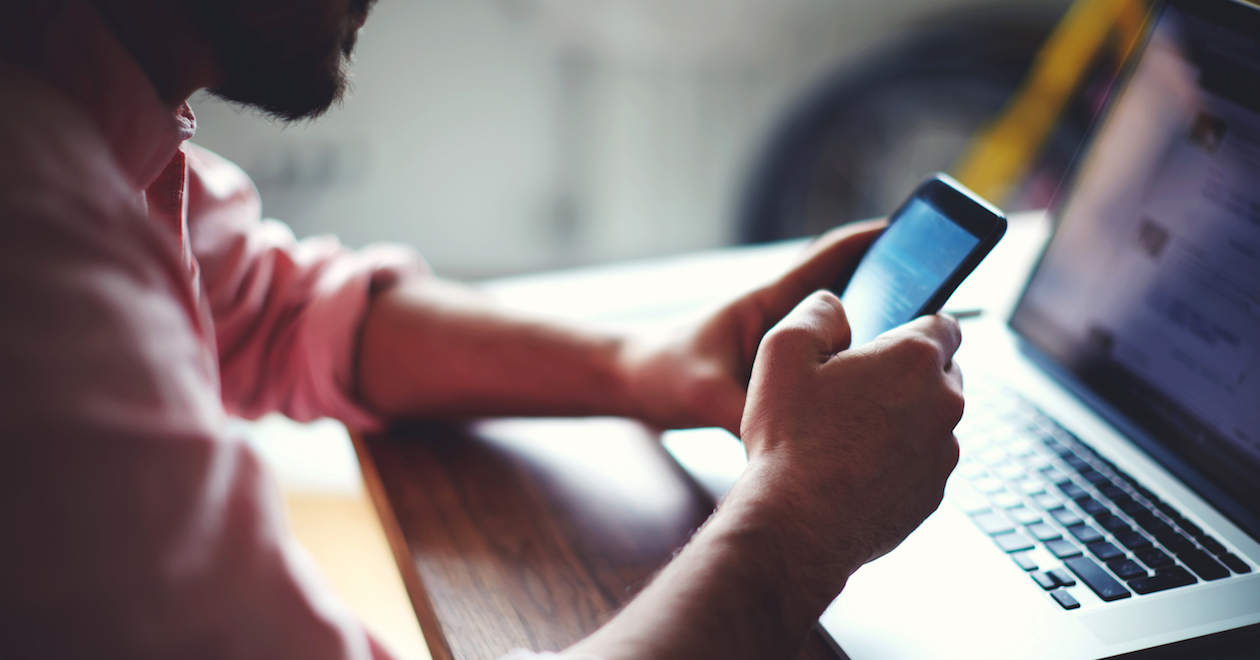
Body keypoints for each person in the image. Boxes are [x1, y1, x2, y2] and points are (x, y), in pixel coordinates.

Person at [0, 0, 964, 658]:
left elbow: (269, 307)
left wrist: (649, 364)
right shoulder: (31, 222)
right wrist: (802, 519)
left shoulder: (79, 108)